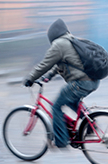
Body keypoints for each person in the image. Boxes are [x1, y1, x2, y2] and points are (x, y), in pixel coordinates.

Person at [23, 19, 100, 148]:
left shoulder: (59, 44)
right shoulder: (71, 40)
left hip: (81, 83)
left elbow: (45, 64)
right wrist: (48, 76)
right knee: (72, 100)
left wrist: (30, 78)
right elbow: (60, 64)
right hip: (93, 81)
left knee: (56, 107)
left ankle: (61, 141)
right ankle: (91, 124)